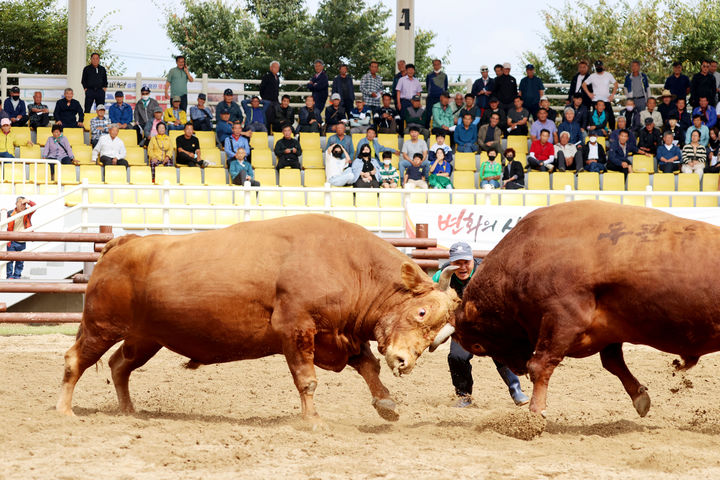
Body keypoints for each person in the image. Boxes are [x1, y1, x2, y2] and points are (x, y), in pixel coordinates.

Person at [433, 242, 529, 408]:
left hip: (488, 322)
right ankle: (464, 396)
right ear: (451, 262)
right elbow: (432, 298)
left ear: (472, 260)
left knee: (500, 352)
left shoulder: (487, 272)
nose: (462, 267)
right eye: (457, 263)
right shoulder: (441, 276)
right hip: (460, 326)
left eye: (466, 262)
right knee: (456, 357)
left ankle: (516, 389)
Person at [5, 196, 36, 279]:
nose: (23, 205)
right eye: (21, 203)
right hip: (11, 241)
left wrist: (29, 201)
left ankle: (17, 276)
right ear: (16, 204)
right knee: (10, 260)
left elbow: (35, 207)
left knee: (20, 261)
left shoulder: (27, 212)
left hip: (22, 240)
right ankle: (9, 276)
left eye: (24, 204)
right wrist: (3, 212)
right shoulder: (10, 213)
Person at [582, 60, 618, 129]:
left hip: (606, 101)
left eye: (600, 66)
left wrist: (612, 95)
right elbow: (584, 84)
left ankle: (612, 134)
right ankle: (594, 133)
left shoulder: (608, 75)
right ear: (595, 67)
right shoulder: (592, 76)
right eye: (597, 66)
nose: (598, 67)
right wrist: (589, 94)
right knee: (594, 118)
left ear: (603, 66)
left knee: (611, 118)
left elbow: (616, 84)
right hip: (595, 100)